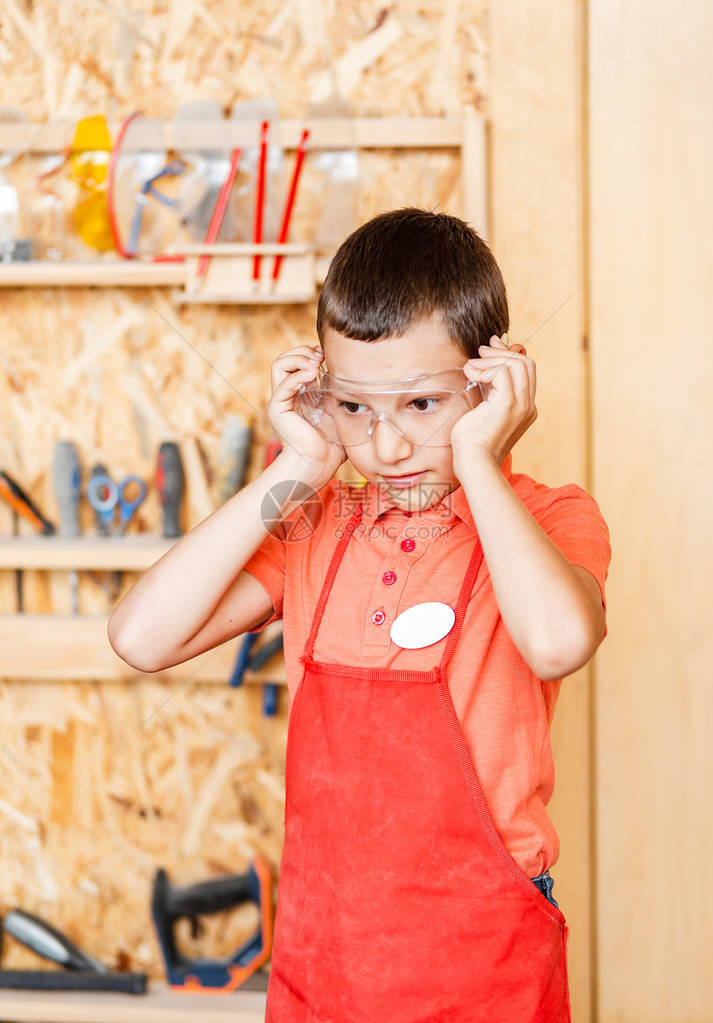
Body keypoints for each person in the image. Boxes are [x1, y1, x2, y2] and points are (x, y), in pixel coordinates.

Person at [108, 207, 611, 1022]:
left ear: (493, 386)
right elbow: (141, 635)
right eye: (353, 408)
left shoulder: (548, 519)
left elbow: (556, 641)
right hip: (327, 949)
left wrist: (478, 458)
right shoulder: (312, 525)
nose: (384, 447)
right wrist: (302, 465)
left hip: (483, 955)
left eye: (421, 405)